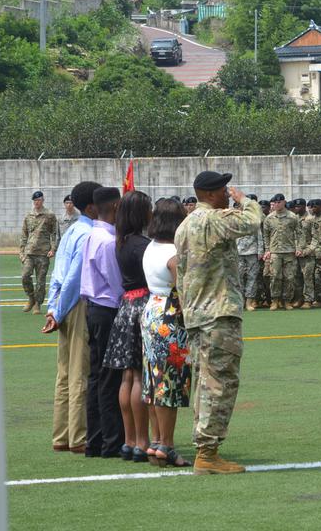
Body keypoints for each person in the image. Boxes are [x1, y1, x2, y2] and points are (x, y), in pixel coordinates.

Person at [175, 170, 263, 474]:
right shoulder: (213, 219)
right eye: (225, 191)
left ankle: (205, 447)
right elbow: (252, 223)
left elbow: (181, 274)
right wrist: (246, 201)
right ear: (211, 194)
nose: (229, 194)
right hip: (218, 313)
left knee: (205, 381)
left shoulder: (185, 225)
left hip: (197, 315)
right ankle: (208, 452)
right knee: (221, 382)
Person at [43, 181, 102, 455]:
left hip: (63, 306)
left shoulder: (71, 231)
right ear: (92, 206)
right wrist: (63, 307)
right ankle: (79, 435)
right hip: (77, 304)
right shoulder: (89, 233)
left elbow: (58, 274)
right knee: (80, 371)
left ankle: (62, 434)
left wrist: (54, 308)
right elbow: (75, 278)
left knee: (64, 372)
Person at [104, 191, 154, 462]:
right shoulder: (143, 245)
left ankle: (129, 440)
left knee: (127, 376)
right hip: (142, 306)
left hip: (126, 307)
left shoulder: (122, 241)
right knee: (139, 377)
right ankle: (142, 441)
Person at [142, 198, 191, 467]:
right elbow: (183, 289)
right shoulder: (174, 252)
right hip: (170, 316)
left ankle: (157, 439)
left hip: (152, 310)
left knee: (153, 379)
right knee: (169, 384)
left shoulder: (151, 246)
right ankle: (168, 445)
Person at [81, 186, 125, 457]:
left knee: (97, 378)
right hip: (107, 309)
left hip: (94, 308)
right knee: (110, 379)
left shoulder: (92, 234)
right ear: (116, 207)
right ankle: (112, 441)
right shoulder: (107, 241)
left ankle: (95, 440)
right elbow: (117, 284)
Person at [20, 190, 59, 314]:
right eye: (35, 200)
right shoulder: (28, 215)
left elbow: (54, 233)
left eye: (39, 200)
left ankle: (37, 304)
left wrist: (53, 249)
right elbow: (24, 235)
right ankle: (31, 298)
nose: (37, 202)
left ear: (43, 200)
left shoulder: (50, 215)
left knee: (40, 280)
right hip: (29, 252)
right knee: (25, 276)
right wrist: (22, 252)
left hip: (43, 252)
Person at [263, 194, 298, 311]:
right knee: (274, 276)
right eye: (275, 203)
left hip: (289, 251)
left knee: (289, 277)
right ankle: (275, 300)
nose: (277, 204)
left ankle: (287, 301)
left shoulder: (292, 217)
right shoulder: (269, 218)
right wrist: (267, 249)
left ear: (284, 202)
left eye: (279, 202)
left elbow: (299, 233)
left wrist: (298, 247)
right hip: (275, 252)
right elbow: (266, 235)